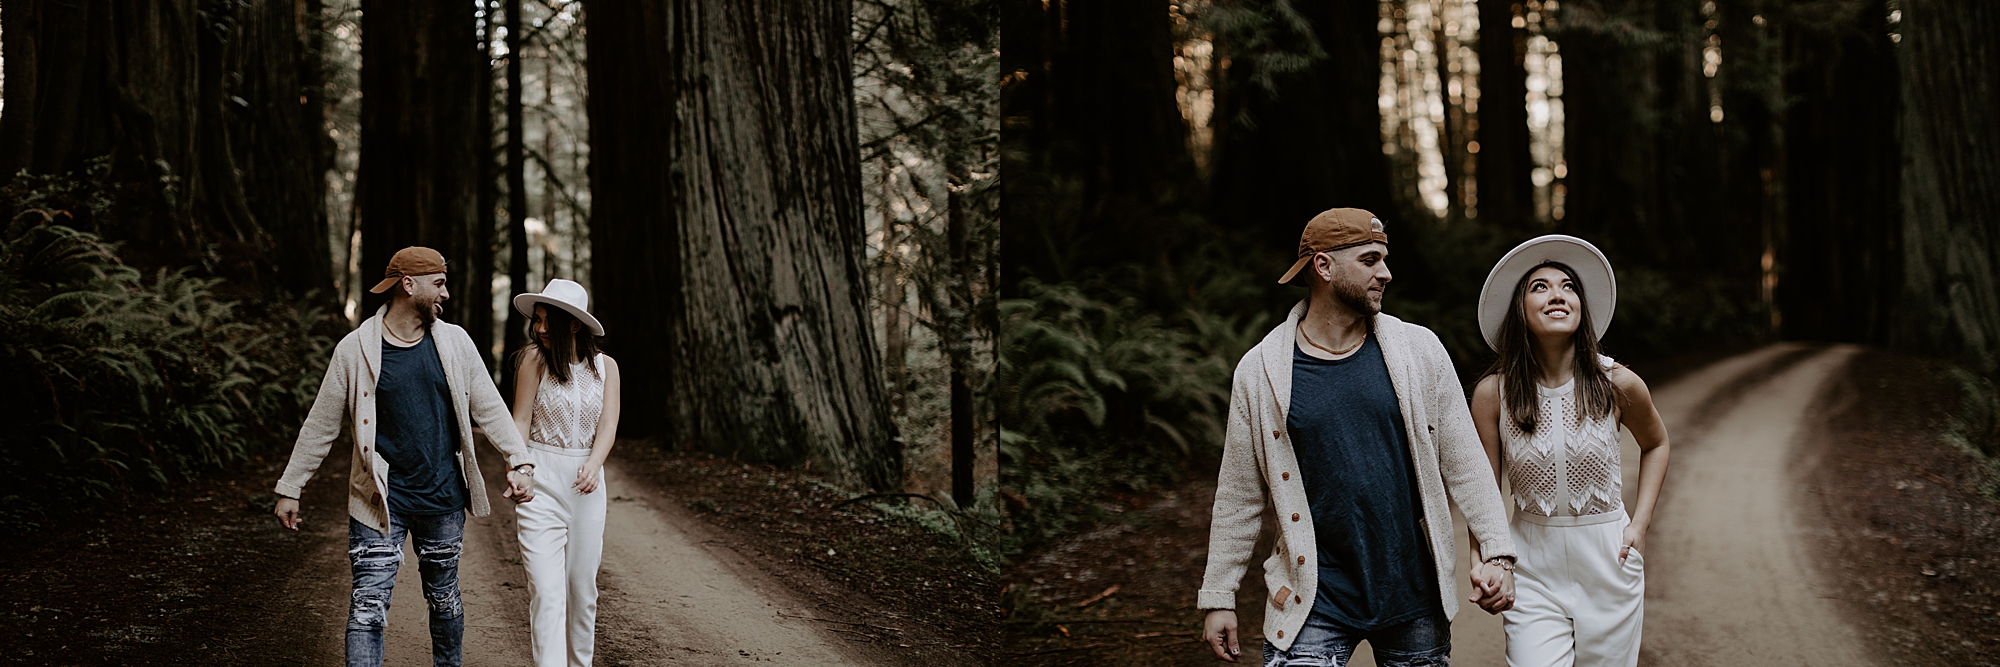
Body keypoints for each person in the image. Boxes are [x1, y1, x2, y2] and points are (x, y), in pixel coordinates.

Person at [1199, 208, 1520, 666]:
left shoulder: (1419, 351)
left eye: (1385, 259)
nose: (1385, 273)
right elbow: (1238, 493)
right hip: (1314, 598)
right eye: (1370, 260)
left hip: (1413, 595)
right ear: (1324, 267)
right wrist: (1219, 596)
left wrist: (1497, 554)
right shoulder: (1261, 370)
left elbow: (1466, 463)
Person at [272, 246, 539, 667]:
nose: (446, 294)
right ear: (408, 285)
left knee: (444, 599)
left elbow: (489, 407)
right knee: (367, 607)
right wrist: (291, 487)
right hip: (379, 501)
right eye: (439, 283)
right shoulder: (354, 349)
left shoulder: (454, 342)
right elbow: (321, 424)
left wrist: (519, 461)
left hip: (442, 498)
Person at [1469, 235, 1670, 667]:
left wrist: (1639, 527)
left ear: (1582, 307)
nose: (1557, 294)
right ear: (1519, 311)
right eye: (1539, 287)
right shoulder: (1493, 393)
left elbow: (1657, 443)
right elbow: (1481, 487)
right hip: (1531, 563)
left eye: (1568, 286)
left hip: (1607, 558)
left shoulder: (1618, 383)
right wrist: (1484, 558)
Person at [509, 278, 622, 667]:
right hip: (540, 480)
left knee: (582, 590)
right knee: (547, 590)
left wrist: (593, 463)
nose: (539, 328)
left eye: (547, 321)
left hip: (587, 486)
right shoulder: (533, 361)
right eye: (537, 320)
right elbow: (520, 421)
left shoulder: (606, 368)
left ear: (574, 324)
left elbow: (607, 426)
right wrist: (519, 466)